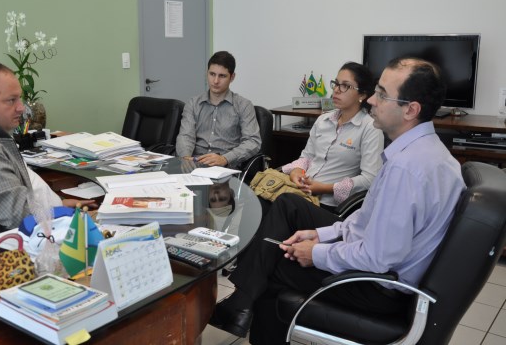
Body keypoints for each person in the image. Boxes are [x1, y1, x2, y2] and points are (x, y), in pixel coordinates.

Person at [208, 57, 466, 344]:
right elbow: (365, 221)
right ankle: (240, 306)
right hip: (380, 265)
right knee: (286, 208)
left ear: (411, 110)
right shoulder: (428, 153)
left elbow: (376, 259)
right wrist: (322, 234)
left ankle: (240, 306)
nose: (372, 102)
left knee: (275, 262)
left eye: (382, 94)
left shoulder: (406, 169)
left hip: (379, 287)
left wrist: (315, 253)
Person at [0, 61, 94, 236]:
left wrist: (58, 204)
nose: (21, 107)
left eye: (19, 98)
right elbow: (21, 216)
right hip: (21, 244)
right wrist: (63, 213)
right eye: (11, 100)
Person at [277, 62, 384, 211]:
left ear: (363, 94)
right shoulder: (323, 120)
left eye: (345, 86)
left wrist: (326, 188)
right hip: (300, 193)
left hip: (329, 205)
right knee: (266, 198)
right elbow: (307, 157)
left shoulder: (370, 127)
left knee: (283, 205)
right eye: (336, 83)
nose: (336, 90)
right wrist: (296, 172)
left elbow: (370, 179)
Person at [175, 51, 261, 168]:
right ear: (207, 73)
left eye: (222, 76)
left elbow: (253, 142)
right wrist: (185, 158)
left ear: (232, 77)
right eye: (212, 74)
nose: (215, 81)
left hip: (225, 167)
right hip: (195, 164)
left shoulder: (244, 105)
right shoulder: (193, 103)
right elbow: (185, 136)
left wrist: (225, 158)